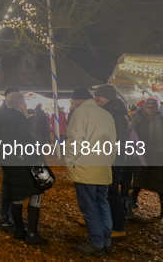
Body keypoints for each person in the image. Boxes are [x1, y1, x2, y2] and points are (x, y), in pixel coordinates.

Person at [66, 87, 117, 257]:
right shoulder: (106, 114)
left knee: (89, 206)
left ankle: (96, 242)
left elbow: (75, 140)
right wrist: (109, 162)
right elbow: (113, 143)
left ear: (78, 100)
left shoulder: (81, 112)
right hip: (103, 166)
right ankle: (106, 240)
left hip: (86, 166)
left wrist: (70, 163)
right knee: (102, 203)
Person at [1, 92, 48, 245]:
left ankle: (19, 230)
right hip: (23, 161)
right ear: (20, 104)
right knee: (36, 192)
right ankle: (33, 232)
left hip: (9, 160)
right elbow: (25, 140)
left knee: (17, 194)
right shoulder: (20, 118)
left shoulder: (1, 117)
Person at [93, 84, 129, 238]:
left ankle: (118, 227)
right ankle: (105, 220)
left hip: (113, 158)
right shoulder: (112, 111)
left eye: (99, 95)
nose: (96, 98)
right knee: (104, 190)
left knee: (112, 191)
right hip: (109, 156)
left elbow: (118, 139)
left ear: (108, 97)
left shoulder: (114, 114)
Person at [130, 97, 163, 219]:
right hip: (143, 153)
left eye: (152, 107)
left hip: (159, 154)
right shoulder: (138, 119)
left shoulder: (160, 119)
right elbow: (133, 135)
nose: (150, 109)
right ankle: (133, 201)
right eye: (148, 107)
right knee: (139, 180)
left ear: (157, 108)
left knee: (160, 182)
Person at [0, 86, 20, 231]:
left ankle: (12, 216)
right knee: (8, 186)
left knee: (13, 185)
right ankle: (5, 217)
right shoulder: (1, 113)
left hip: (14, 154)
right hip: (8, 154)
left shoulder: (13, 111)